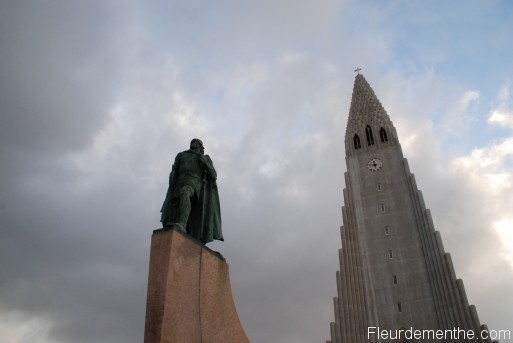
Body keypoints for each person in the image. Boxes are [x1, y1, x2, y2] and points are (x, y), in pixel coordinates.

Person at [160, 139, 223, 244]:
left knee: (185, 192)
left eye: (196, 141)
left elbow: (213, 175)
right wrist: (172, 177)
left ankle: (182, 224)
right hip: (180, 181)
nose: (193, 142)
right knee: (176, 205)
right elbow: (174, 169)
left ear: (200, 146)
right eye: (192, 141)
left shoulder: (204, 158)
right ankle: (182, 226)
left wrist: (206, 164)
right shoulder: (181, 155)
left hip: (194, 181)